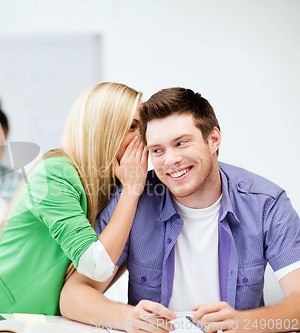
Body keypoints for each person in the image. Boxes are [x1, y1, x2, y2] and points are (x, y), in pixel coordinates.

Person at [60, 87, 300, 333]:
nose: (170, 160)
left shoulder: (266, 203)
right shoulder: (133, 200)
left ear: (213, 139)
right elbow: (73, 295)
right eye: (157, 150)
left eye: (181, 143)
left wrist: (243, 323)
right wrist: (127, 318)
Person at [0, 82, 147, 315]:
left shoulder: (112, 187)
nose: (143, 137)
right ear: (104, 129)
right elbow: (96, 266)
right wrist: (132, 190)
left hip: (39, 322)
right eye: (133, 126)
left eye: (143, 127)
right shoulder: (54, 174)